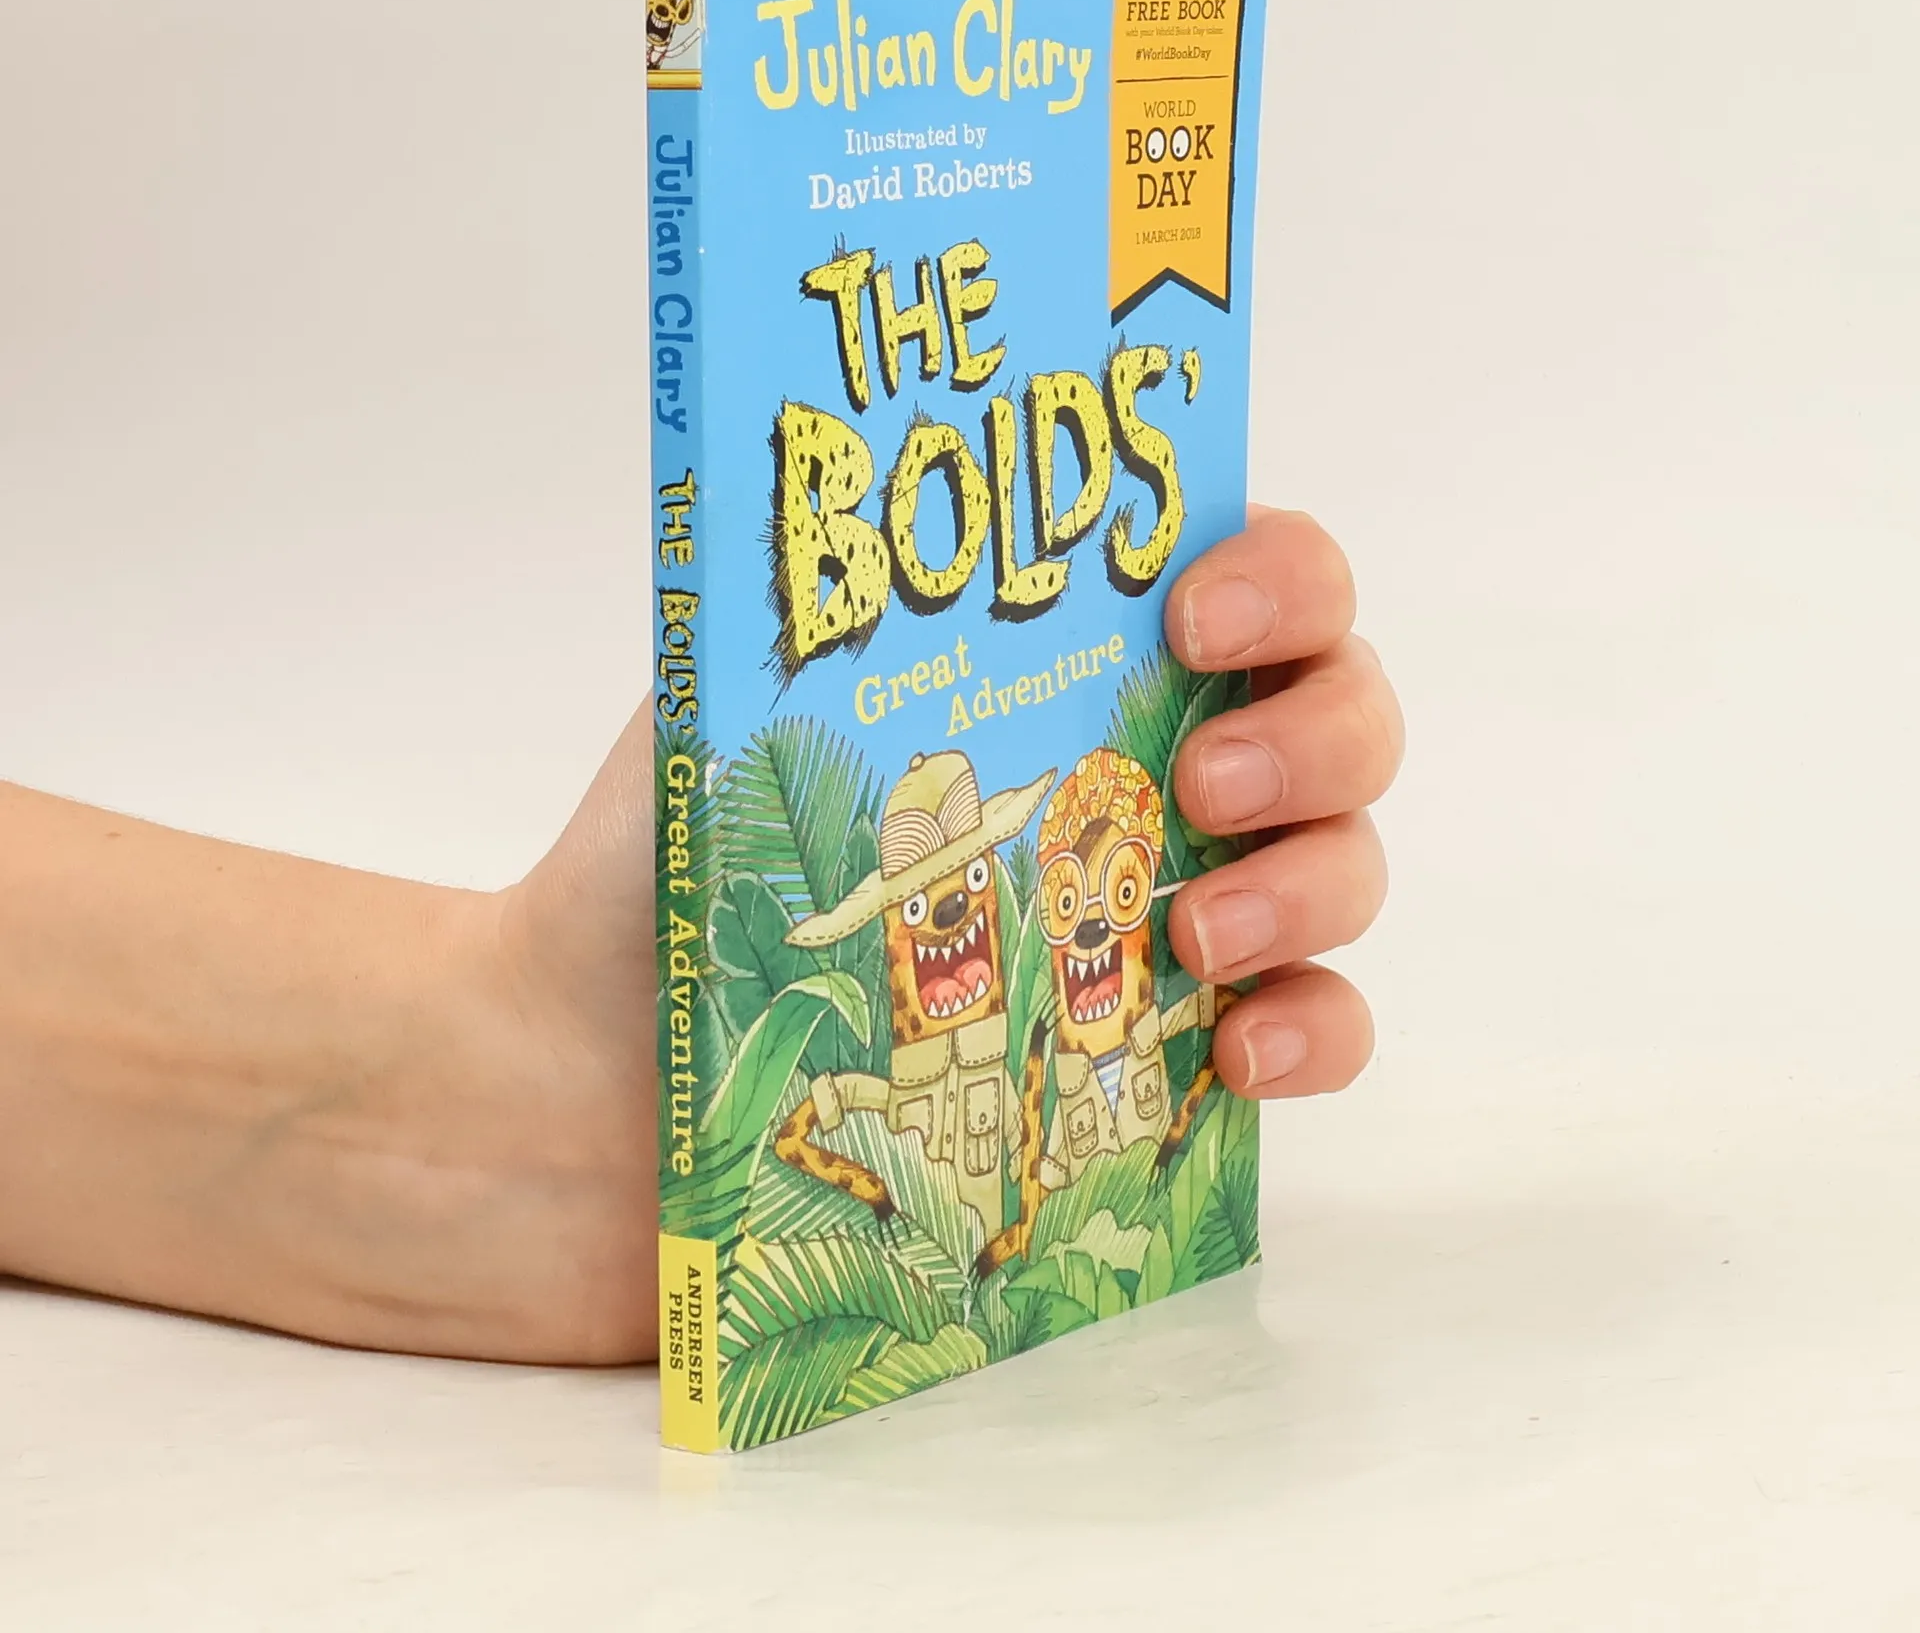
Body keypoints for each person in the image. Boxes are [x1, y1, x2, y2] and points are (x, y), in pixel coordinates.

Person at [0, 507, 1402, 1365]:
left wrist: (529, 1078)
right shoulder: (902, 1040)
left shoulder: (1027, 1018)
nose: (949, 925)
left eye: (964, 892)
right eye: (924, 901)